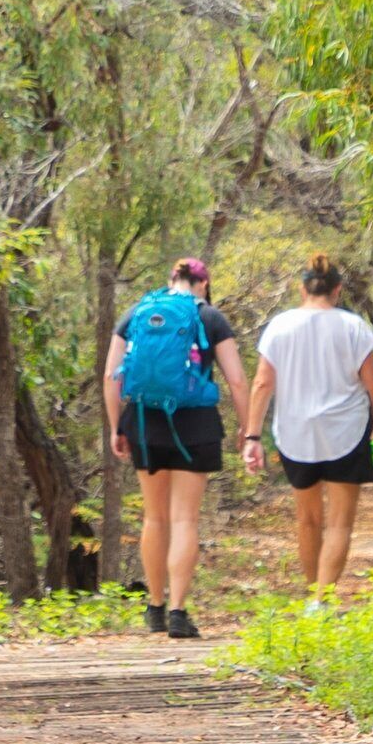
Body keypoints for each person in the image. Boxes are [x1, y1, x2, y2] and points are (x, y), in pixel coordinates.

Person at [104, 255, 250, 639]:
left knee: (155, 517)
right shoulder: (211, 317)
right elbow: (236, 380)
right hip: (196, 425)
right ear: (204, 284)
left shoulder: (137, 312)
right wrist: (248, 428)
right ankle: (178, 612)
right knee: (184, 518)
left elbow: (110, 375)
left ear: (171, 279)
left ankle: (154, 606)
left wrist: (115, 425)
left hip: (143, 422)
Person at [242, 254, 373, 604]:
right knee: (340, 523)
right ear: (338, 290)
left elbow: (262, 384)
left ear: (302, 288)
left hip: (296, 435)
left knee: (308, 520)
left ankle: (315, 596)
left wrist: (252, 436)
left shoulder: (280, 326)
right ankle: (321, 600)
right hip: (346, 432)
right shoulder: (353, 327)